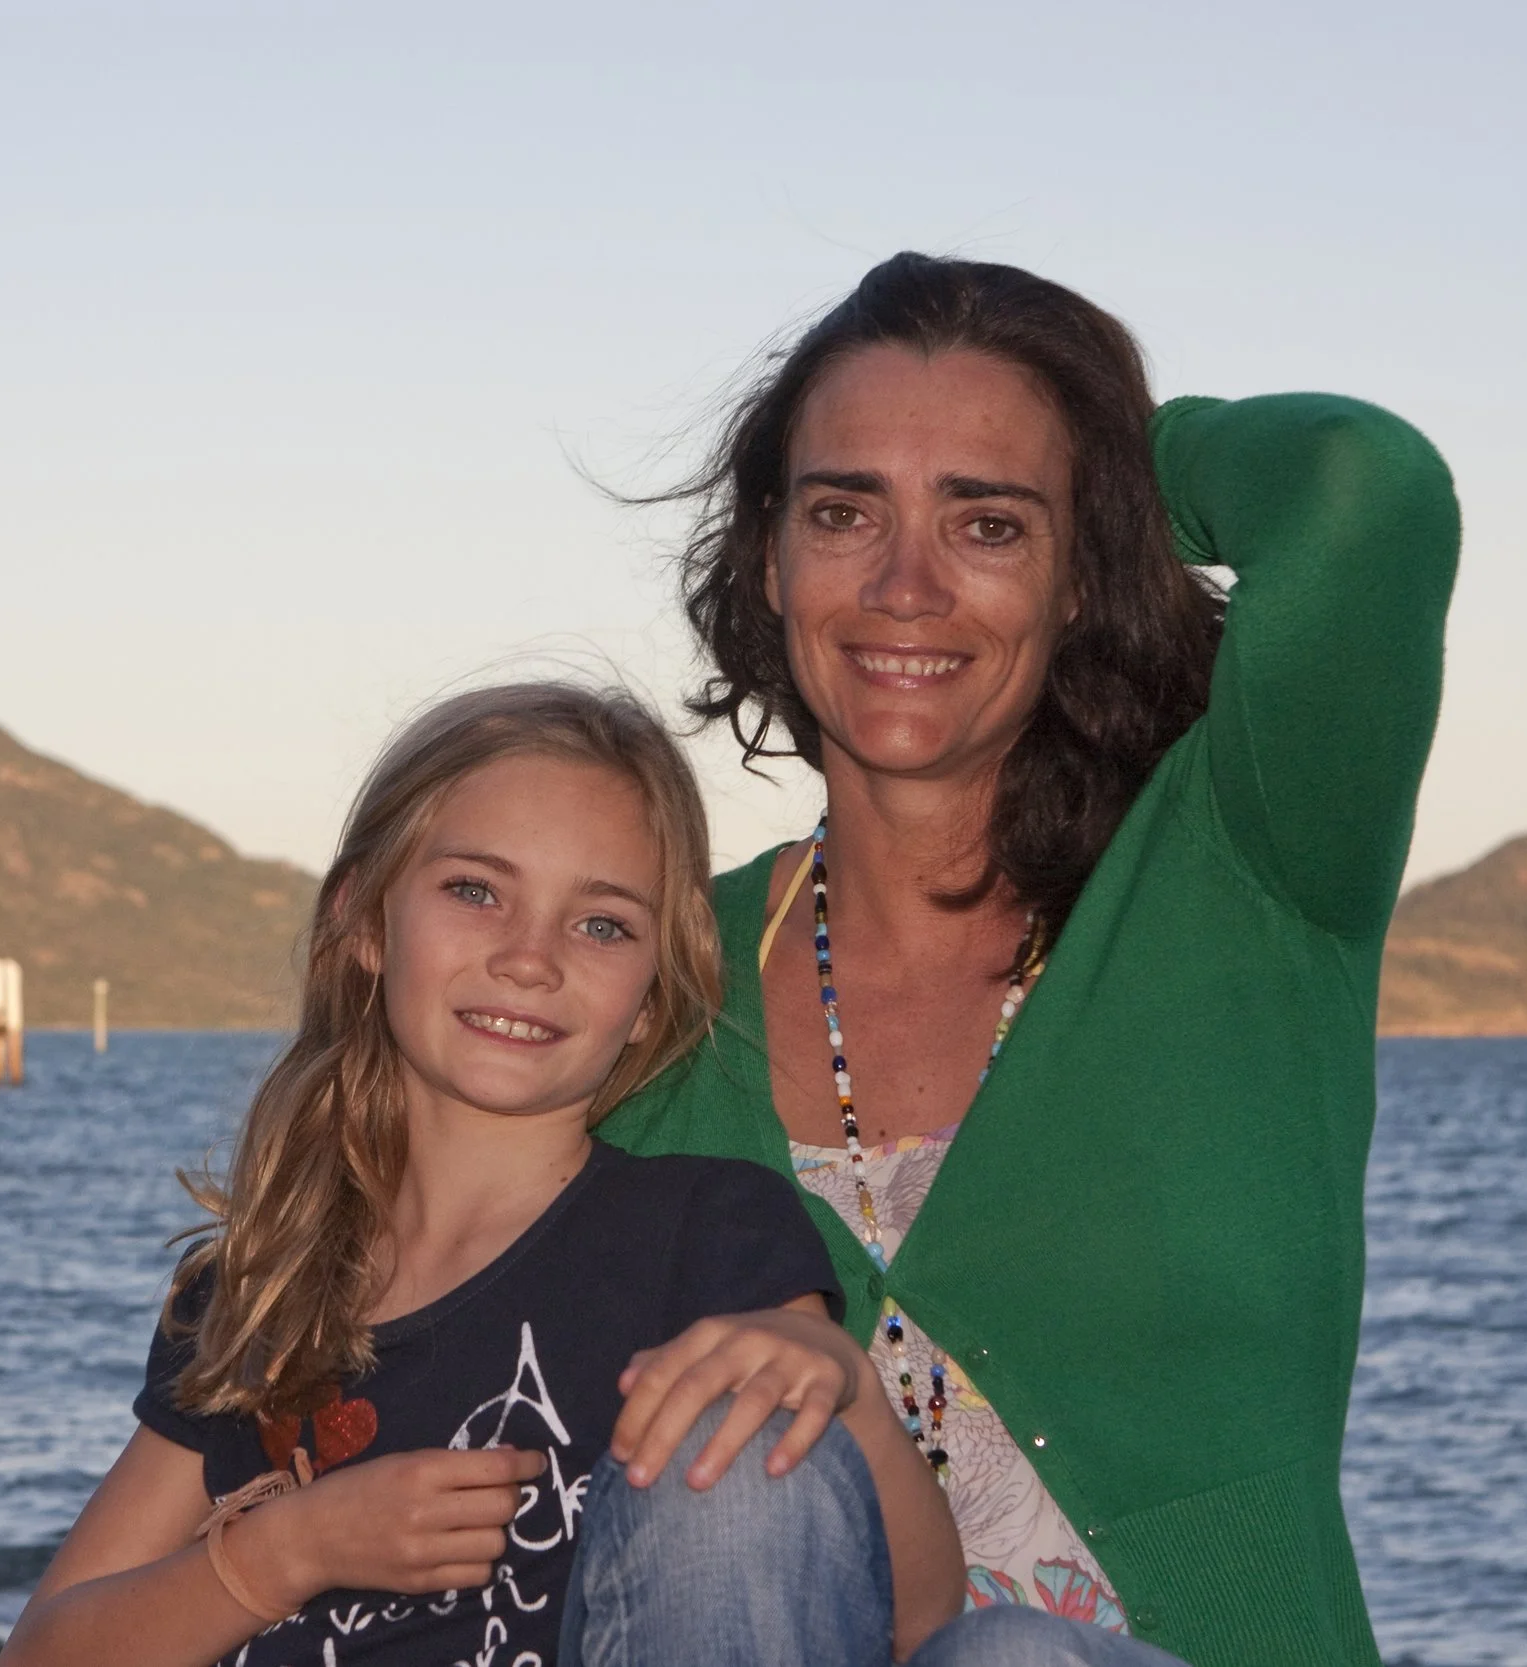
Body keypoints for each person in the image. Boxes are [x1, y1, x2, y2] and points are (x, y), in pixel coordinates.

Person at [581, 254, 1459, 1667]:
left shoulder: (1244, 879)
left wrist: (1115, 452)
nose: (905, 583)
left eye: (988, 522)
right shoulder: (645, 970)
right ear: (770, 557)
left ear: (1081, 574)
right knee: (720, 1461)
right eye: (843, 511)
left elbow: (1367, 485)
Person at [0, 684, 965, 1667]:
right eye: (475, 890)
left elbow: (920, 1616)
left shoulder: (705, 1233)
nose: (529, 957)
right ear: (364, 920)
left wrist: (847, 1384)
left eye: (601, 924)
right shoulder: (255, 1294)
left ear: (650, 998)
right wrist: (288, 1549)